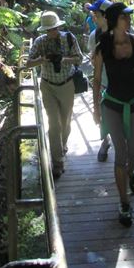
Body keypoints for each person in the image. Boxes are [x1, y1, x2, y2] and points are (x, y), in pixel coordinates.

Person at [93, 2, 134, 227]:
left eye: (129, 17)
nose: (128, 20)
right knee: (121, 151)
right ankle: (124, 202)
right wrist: (96, 109)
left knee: (133, 151)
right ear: (115, 20)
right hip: (112, 104)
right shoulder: (102, 47)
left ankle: (131, 172)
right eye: (124, 17)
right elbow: (97, 79)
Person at [25, 10, 83, 180]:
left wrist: (63, 59)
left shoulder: (69, 38)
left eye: (54, 28)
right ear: (44, 30)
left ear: (58, 26)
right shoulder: (40, 42)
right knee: (54, 123)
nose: (52, 32)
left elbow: (79, 59)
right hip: (48, 86)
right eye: (48, 30)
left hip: (67, 85)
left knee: (65, 122)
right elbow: (28, 63)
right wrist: (43, 60)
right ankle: (57, 163)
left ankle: (63, 145)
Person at [86, 0, 113, 161]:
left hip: (123, 84)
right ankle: (105, 141)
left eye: (96, 14)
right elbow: (92, 59)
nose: (93, 17)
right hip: (103, 83)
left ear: (106, 15)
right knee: (103, 116)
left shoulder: (126, 32)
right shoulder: (94, 36)